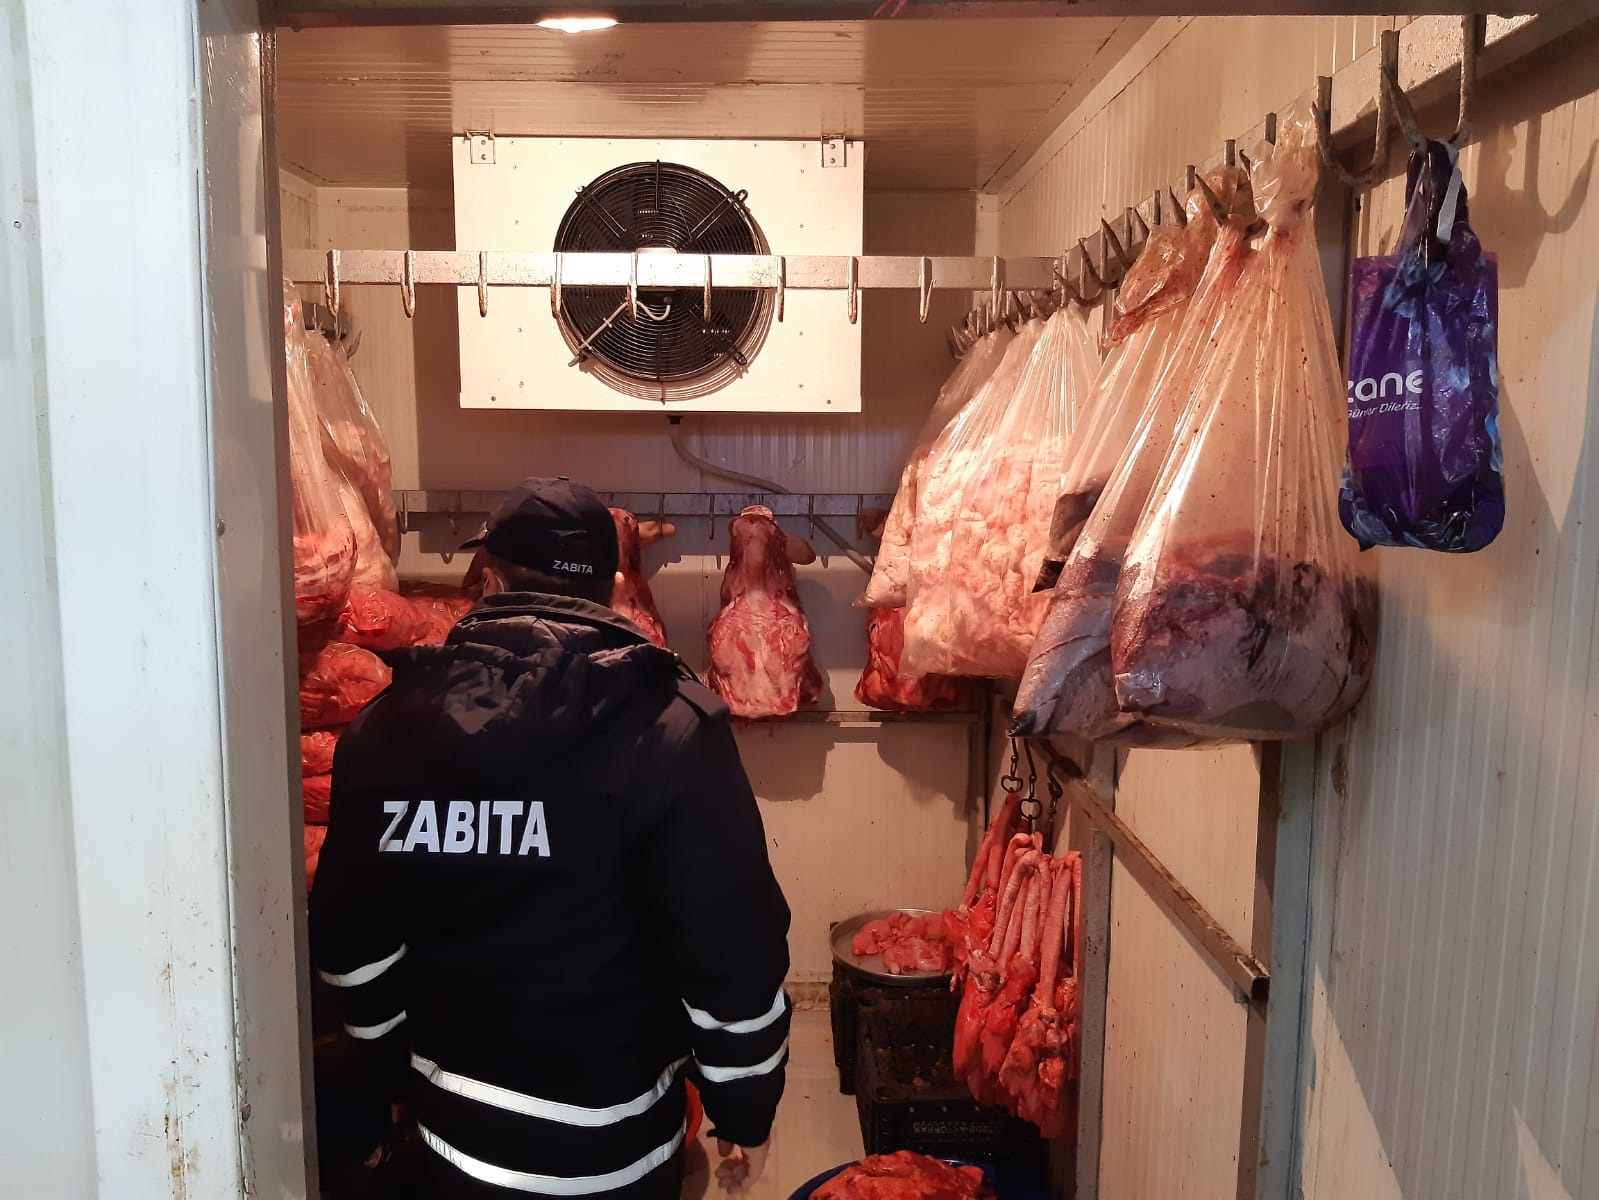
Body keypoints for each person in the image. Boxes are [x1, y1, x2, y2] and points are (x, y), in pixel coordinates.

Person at [310, 477, 792, 1199]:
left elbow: (351, 942)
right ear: (615, 589)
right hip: (617, 1147)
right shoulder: (672, 728)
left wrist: (387, 1071)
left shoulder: (386, 727)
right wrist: (744, 1108)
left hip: (454, 1137)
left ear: (490, 582)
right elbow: (731, 947)